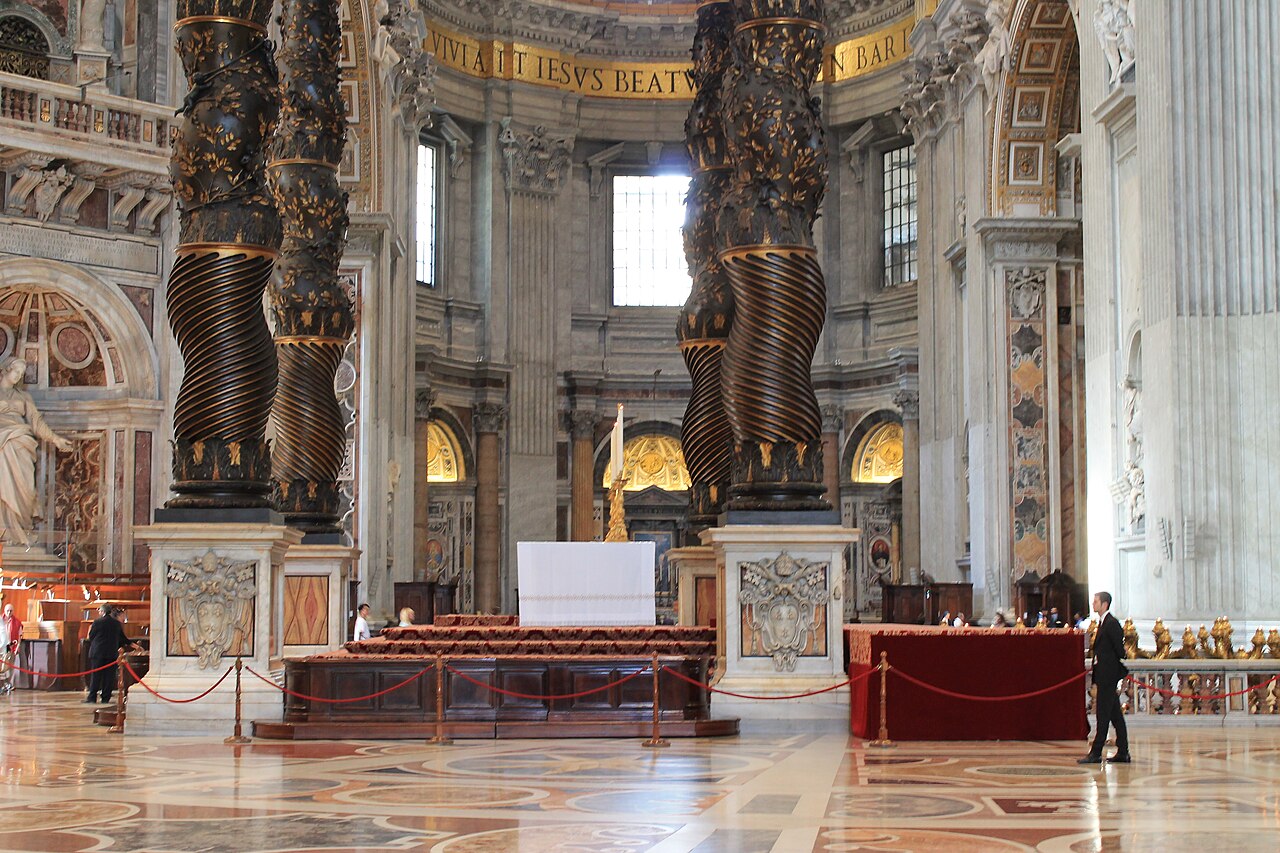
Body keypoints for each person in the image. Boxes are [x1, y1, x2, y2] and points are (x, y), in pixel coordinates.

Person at [0, 357, 74, 546]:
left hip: (20, 443)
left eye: (21, 374)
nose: (18, 376)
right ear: (7, 370)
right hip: (1, 442)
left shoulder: (24, 397)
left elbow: (36, 422)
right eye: (16, 371)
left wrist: (55, 439)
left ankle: (20, 530)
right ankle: (5, 534)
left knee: (25, 489)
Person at [1080, 591, 1130, 764]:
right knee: (1116, 716)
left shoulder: (1112, 624)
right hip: (1103, 676)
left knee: (1103, 716)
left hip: (1108, 677)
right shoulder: (1103, 623)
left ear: (1105, 604)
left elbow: (1120, 651)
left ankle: (1095, 753)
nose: (1093, 604)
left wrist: (1106, 663)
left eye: (1096, 601)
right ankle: (1123, 752)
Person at [85, 604, 132, 704]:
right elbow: (122, 638)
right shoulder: (116, 623)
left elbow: (91, 636)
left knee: (96, 675)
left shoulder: (97, 622)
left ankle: (92, 697)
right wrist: (133, 645)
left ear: (102, 612)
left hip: (98, 652)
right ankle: (105, 698)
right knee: (109, 676)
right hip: (111, 652)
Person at [0, 601, 21, 693]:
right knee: (1, 667)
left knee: (9, 667)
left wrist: (17, 647)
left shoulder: (17, 622)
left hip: (11, 646)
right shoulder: (1, 620)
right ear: (4, 611)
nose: (9, 612)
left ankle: (8, 683)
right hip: (1, 646)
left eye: (11, 611)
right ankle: (2, 684)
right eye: (7, 610)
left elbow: (19, 636)